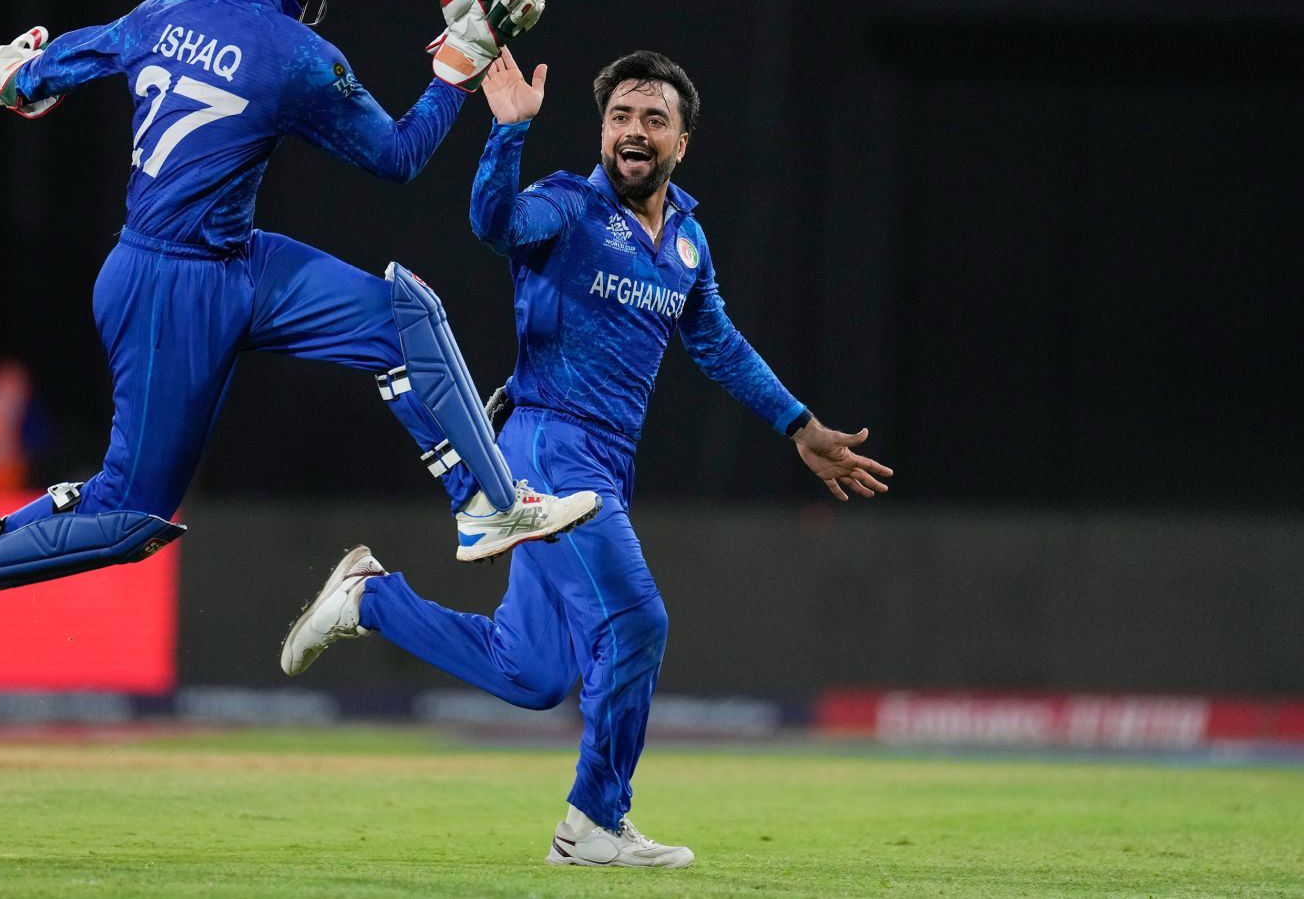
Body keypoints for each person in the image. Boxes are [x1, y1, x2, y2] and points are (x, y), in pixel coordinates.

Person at [0, 0, 600, 669]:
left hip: (230, 259)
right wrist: (460, 63)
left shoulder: (167, 10)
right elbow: (398, 157)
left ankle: (486, 503)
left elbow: (18, 78)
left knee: (401, 316)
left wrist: (11, 76)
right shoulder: (296, 54)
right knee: (128, 517)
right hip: (173, 285)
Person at [281, 48, 894, 869]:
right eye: (619, 117)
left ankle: (370, 600)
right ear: (601, 130)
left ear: (684, 142)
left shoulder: (685, 240)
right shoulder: (565, 208)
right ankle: (592, 824)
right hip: (547, 444)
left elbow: (717, 344)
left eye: (653, 119)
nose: (633, 132)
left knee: (530, 671)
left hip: (603, 461)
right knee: (638, 622)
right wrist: (506, 134)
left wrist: (797, 423)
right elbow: (493, 224)